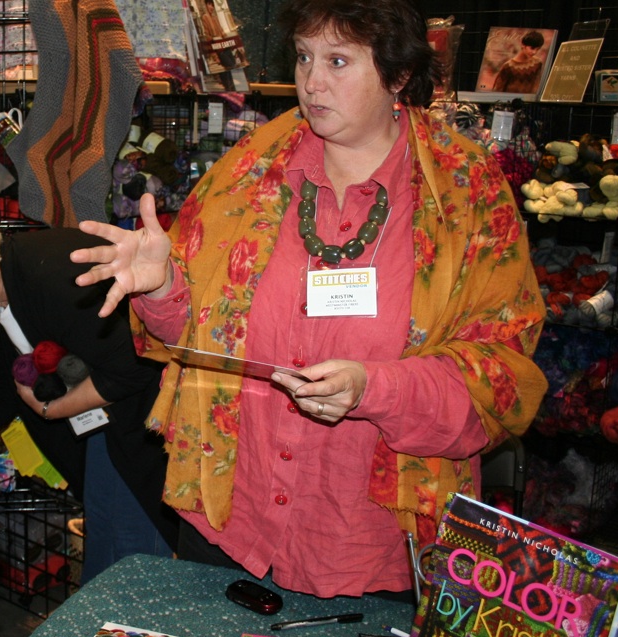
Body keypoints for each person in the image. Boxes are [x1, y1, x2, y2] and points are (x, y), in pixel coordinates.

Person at [69, 0, 548, 599]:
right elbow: (191, 335)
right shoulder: (248, 172)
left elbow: (501, 373)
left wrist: (373, 389)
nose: (312, 82)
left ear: (399, 75)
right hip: (230, 523)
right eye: (303, 57)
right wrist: (162, 287)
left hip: (369, 544)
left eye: (338, 61)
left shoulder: (466, 193)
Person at [0, 207, 179, 582]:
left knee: (132, 567)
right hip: (114, 437)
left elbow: (132, 367)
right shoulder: (6, 289)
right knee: (110, 561)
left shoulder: (49, 277)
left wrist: (51, 409)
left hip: (146, 433)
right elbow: (3, 395)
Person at [492, 30, 546, 94]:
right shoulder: (509, 66)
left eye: (537, 49)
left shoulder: (537, 63)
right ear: (523, 45)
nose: (534, 52)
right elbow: (497, 89)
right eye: (532, 48)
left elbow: (537, 85)